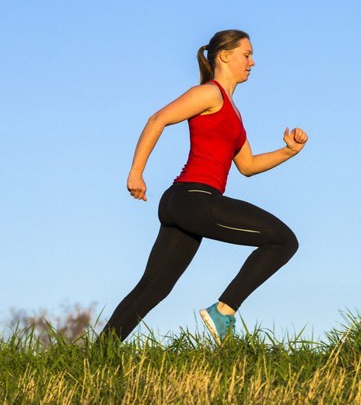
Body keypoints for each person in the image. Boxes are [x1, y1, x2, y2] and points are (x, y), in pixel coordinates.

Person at [101, 29, 308, 344]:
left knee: (154, 287)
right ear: (224, 56)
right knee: (284, 241)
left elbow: (248, 166)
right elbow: (158, 119)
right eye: (246, 54)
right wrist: (136, 171)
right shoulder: (210, 94)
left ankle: (100, 353)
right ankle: (224, 310)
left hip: (183, 203)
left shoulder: (233, 113)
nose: (252, 62)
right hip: (194, 198)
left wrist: (288, 152)